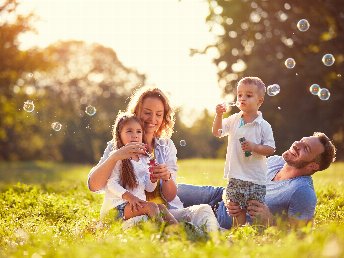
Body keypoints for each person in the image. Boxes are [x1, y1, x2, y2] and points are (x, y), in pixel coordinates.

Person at [88, 86, 219, 232]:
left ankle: (215, 238)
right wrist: (115, 156)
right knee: (144, 224)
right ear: (136, 112)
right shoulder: (118, 145)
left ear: (164, 118)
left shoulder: (165, 146)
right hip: (132, 214)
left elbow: (169, 196)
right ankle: (182, 234)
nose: (153, 119)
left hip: (166, 212)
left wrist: (165, 177)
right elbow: (94, 185)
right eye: (147, 113)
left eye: (159, 114)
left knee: (203, 210)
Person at [177, 132, 336, 229]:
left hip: (225, 219)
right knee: (167, 189)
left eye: (306, 148)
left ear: (313, 166)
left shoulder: (302, 192)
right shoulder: (275, 161)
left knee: (169, 216)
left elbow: (300, 236)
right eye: (301, 140)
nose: (297, 145)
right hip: (218, 195)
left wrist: (269, 220)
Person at [212, 76, 275, 226]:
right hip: (235, 175)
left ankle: (259, 234)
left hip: (255, 177)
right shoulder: (234, 119)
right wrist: (219, 115)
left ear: (260, 101)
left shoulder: (263, 125)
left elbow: (270, 149)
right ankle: (240, 232)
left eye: (248, 95)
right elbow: (217, 132)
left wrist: (254, 147)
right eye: (239, 95)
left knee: (255, 208)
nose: (242, 98)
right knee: (236, 208)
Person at [101, 112, 177, 225]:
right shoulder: (117, 156)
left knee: (161, 207)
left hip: (136, 206)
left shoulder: (144, 159)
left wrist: (153, 178)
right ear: (119, 135)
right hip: (116, 208)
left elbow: (149, 188)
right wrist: (130, 198)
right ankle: (163, 234)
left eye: (138, 131)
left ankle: (179, 233)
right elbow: (110, 183)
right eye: (129, 131)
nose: (135, 135)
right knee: (151, 206)